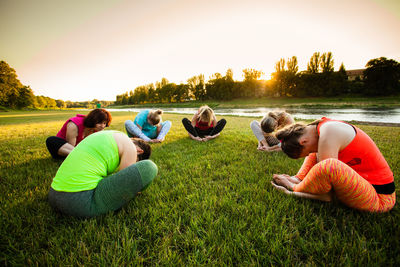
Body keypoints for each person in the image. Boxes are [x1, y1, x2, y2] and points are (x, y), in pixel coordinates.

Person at [271, 117, 396, 212]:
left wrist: (291, 189)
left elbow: (326, 196)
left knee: (328, 165)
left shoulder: (328, 135)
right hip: (364, 185)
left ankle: (296, 183)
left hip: (379, 198)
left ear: (303, 141)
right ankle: (299, 179)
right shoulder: (321, 127)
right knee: (319, 153)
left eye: (308, 152)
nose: (311, 154)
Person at [48, 130, 157, 218]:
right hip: (79, 201)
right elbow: (123, 182)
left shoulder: (110, 135)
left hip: (53, 195)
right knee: (149, 167)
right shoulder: (131, 148)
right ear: (139, 151)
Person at [46, 108, 112, 159]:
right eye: (100, 123)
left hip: (80, 153)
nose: (103, 126)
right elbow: (71, 146)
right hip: (63, 152)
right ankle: (86, 157)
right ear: (92, 120)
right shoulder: (74, 124)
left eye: (104, 123)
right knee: (51, 140)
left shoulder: (97, 130)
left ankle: (84, 157)